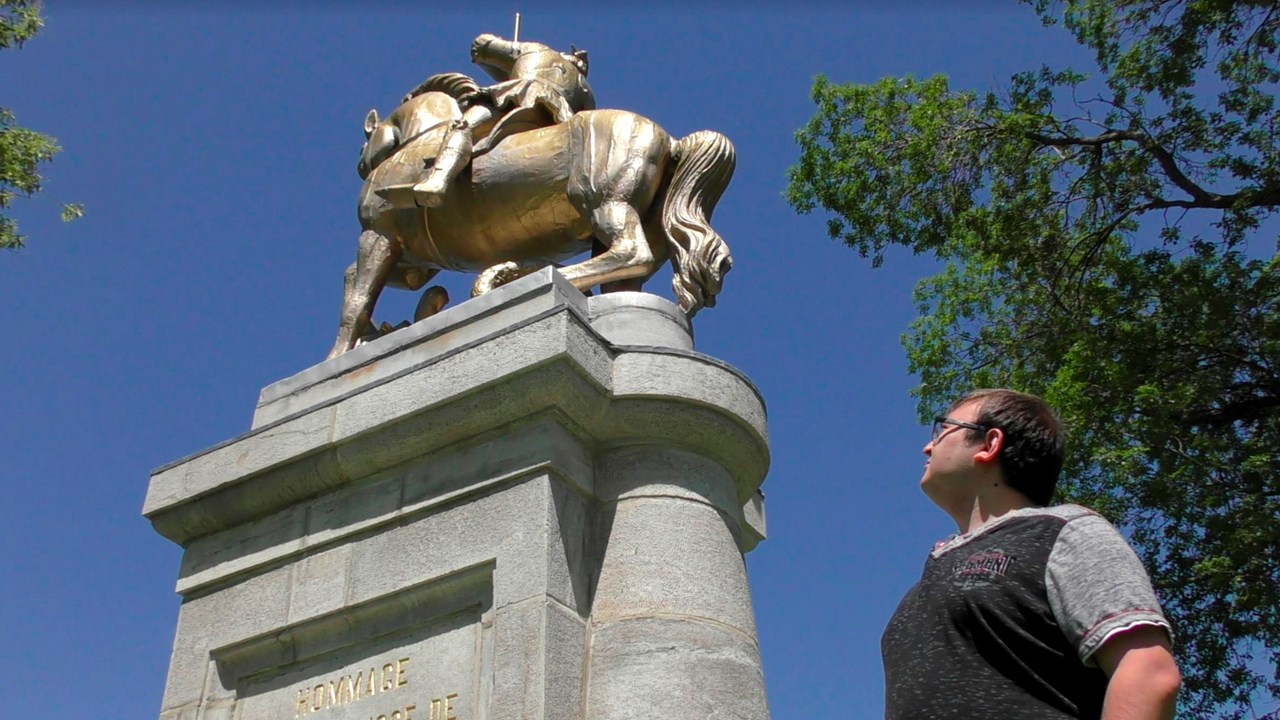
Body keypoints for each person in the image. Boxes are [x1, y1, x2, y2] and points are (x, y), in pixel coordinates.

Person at [882, 389, 1181, 719]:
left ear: (989, 443)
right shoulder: (919, 591)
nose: (928, 446)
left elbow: (1148, 672)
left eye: (944, 429)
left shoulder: (1063, 533)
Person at [396, 33, 594, 209]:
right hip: (559, 119)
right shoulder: (584, 88)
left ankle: (438, 180)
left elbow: (482, 46)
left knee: (463, 126)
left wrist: (508, 63)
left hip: (521, 97)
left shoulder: (536, 49)